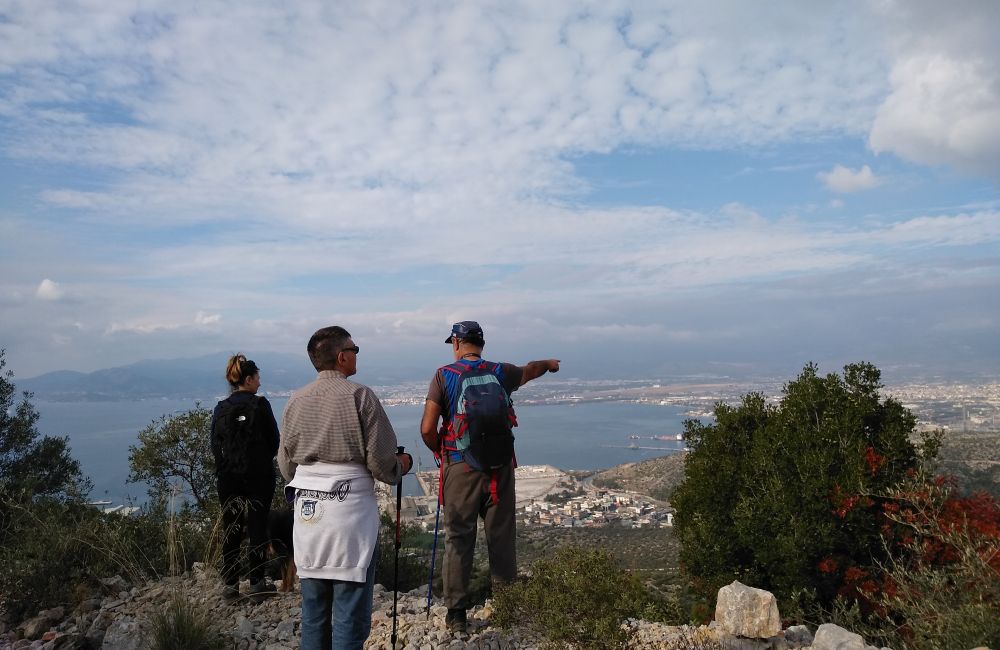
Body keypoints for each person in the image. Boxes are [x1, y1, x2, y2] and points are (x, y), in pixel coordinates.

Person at [420, 321, 560, 633]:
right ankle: (508, 609)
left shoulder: (444, 375)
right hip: (500, 469)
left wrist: (441, 452)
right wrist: (549, 364)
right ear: (481, 343)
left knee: (459, 538)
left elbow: (428, 428)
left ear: (456, 343)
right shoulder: (502, 371)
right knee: (501, 538)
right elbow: (532, 369)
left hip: (460, 467)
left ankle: (457, 613)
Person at [279, 326, 413, 650]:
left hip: (308, 516)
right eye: (355, 349)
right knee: (350, 616)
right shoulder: (360, 396)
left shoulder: (294, 401)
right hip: (349, 517)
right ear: (342, 357)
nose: (356, 355)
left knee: (313, 613)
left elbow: (285, 465)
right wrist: (403, 464)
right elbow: (382, 464)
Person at [211, 353, 281, 600]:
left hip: (228, 478)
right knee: (257, 526)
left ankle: (230, 585)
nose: (260, 382)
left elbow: (214, 445)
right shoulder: (260, 405)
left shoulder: (221, 408)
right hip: (259, 476)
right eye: (258, 377)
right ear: (249, 379)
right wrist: (260, 461)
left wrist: (226, 469)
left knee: (231, 527)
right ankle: (257, 582)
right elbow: (274, 440)